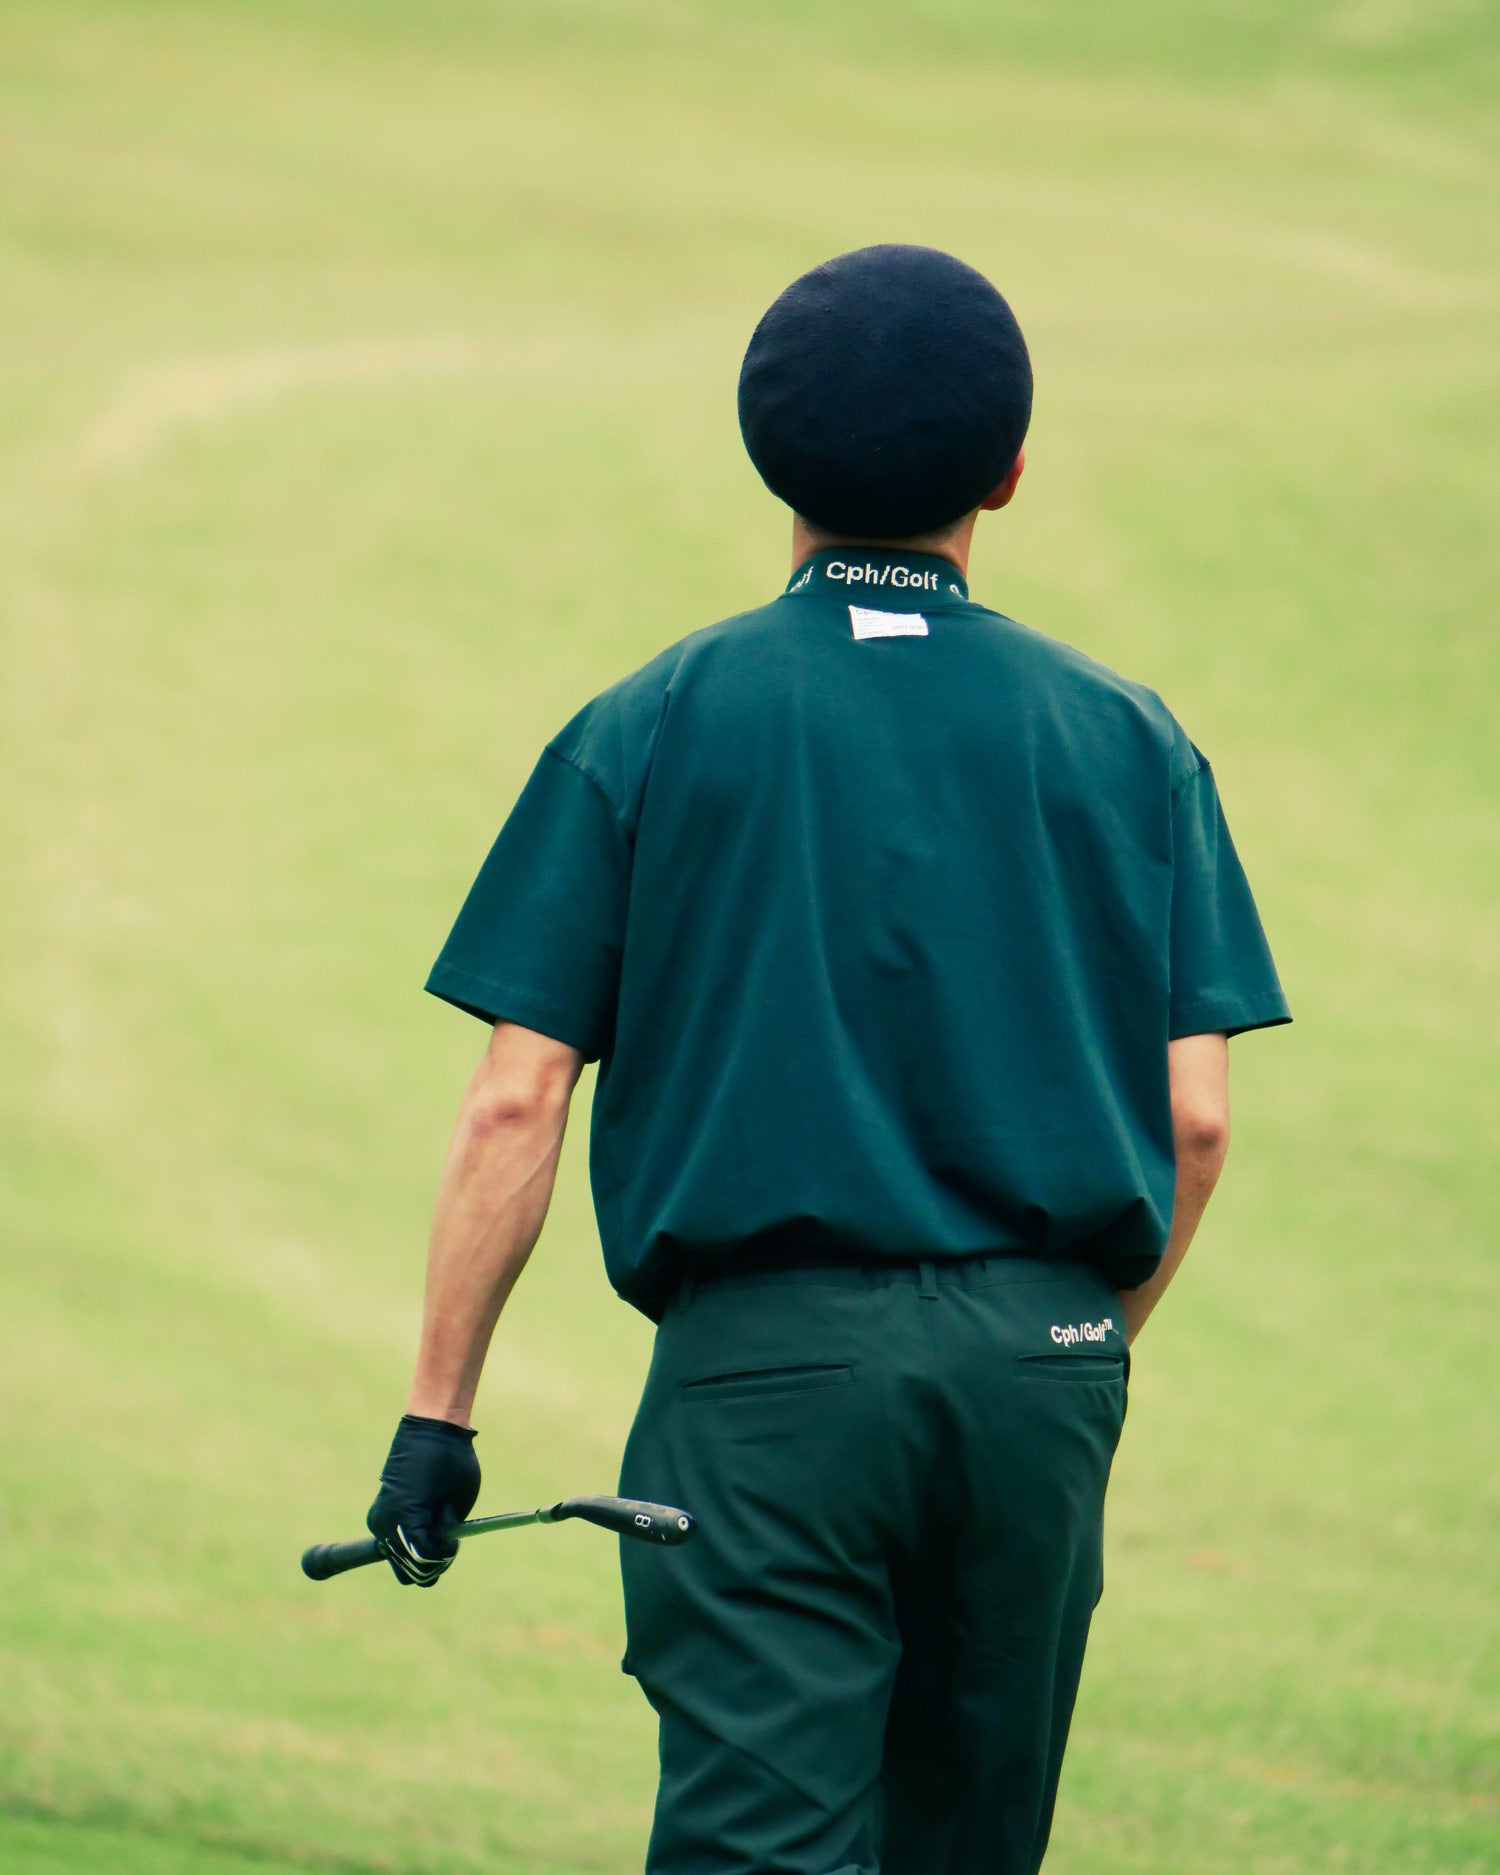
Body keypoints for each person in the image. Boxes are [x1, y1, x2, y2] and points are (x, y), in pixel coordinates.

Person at [363, 244, 1291, 1874]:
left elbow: (520, 1091)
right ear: (1009, 472)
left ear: (763, 454)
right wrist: (1076, 1345)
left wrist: (439, 1416)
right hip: (1044, 1365)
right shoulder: (1131, 736)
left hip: (767, 1387)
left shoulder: (651, 721)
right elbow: (1195, 1125)